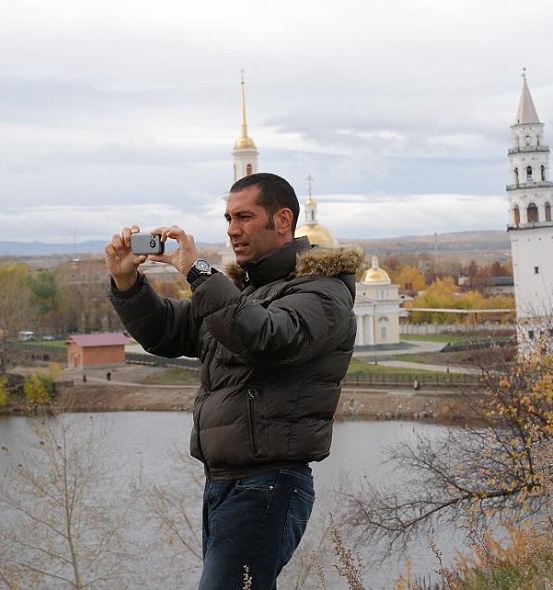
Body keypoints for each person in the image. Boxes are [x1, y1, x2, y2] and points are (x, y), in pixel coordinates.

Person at [104, 172, 362, 589]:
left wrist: (199, 272)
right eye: (227, 218)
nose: (232, 230)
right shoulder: (245, 292)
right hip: (224, 483)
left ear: (282, 220)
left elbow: (267, 337)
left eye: (243, 216)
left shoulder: (321, 290)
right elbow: (168, 332)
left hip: (270, 483)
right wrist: (127, 283)